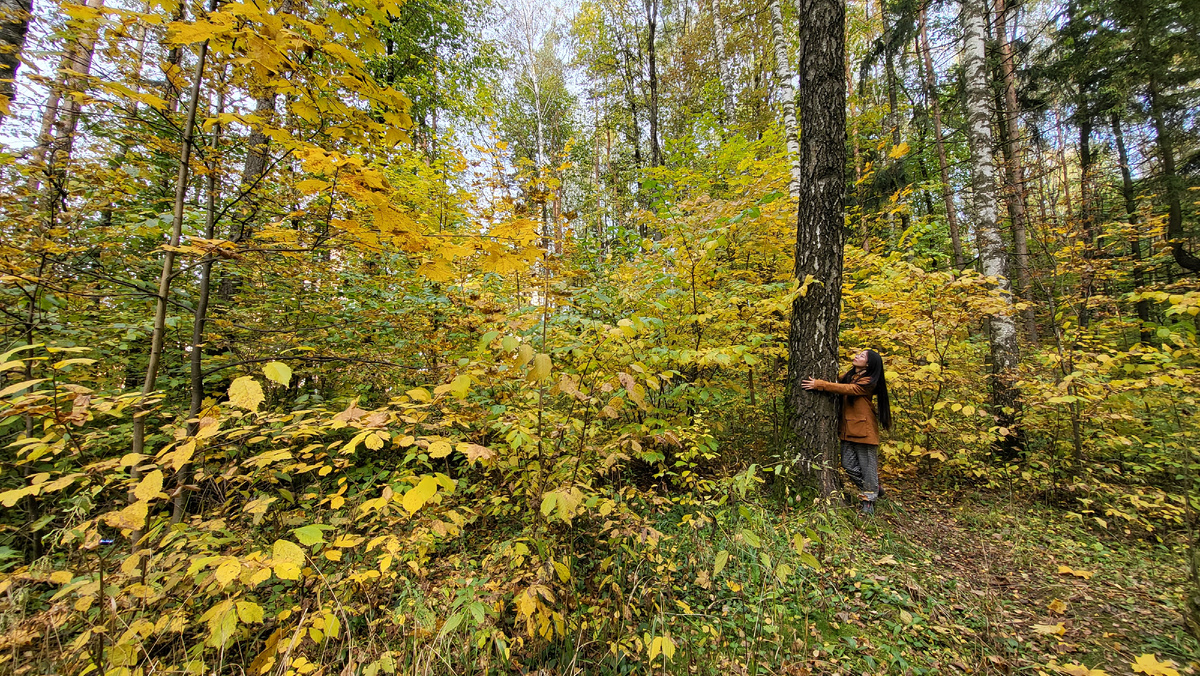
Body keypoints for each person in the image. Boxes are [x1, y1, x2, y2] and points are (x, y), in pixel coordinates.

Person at [801, 349, 893, 515]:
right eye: (858, 353)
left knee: (868, 468)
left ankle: (869, 500)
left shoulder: (869, 381)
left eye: (862, 356)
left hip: (864, 431)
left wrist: (819, 384)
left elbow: (849, 389)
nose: (857, 355)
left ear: (869, 363)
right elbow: (841, 383)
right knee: (848, 465)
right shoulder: (851, 375)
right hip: (847, 429)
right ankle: (874, 488)